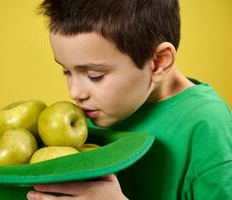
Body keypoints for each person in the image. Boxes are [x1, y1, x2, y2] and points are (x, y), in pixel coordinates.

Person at [27, 0, 232, 199]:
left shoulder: (207, 128)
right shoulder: (93, 113)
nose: (75, 92)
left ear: (158, 62)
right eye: (66, 71)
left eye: (94, 75)